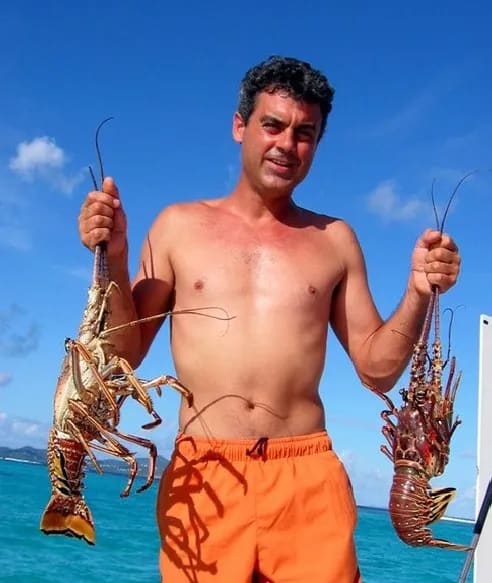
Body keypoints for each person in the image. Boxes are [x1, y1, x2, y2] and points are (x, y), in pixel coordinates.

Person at [79, 56, 460, 583]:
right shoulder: (176, 227)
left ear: (318, 143)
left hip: (306, 477)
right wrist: (114, 258)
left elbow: (378, 369)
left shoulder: (335, 240)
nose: (287, 144)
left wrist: (419, 291)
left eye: (305, 133)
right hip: (205, 476)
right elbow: (123, 351)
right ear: (241, 126)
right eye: (273, 125)